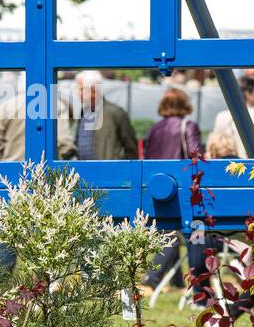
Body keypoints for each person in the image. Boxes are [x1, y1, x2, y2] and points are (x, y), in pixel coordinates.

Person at [142, 88, 204, 289]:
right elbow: (196, 157)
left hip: (157, 186)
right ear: (184, 105)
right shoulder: (189, 126)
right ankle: (154, 275)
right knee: (183, 234)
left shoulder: (154, 128)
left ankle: (176, 281)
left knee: (168, 229)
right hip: (181, 188)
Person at [0, 84, 76, 161]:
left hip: (11, 169)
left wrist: (0, 168)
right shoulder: (56, 105)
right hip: (45, 170)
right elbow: (64, 143)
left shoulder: (6, 106)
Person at [74, 70, 137, 161]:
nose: (78, 93)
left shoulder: (115, 113)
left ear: (94, 90)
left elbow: (131, 150)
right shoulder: (83, 112)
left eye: (81, 89)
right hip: (83, 173)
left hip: (110, 173)